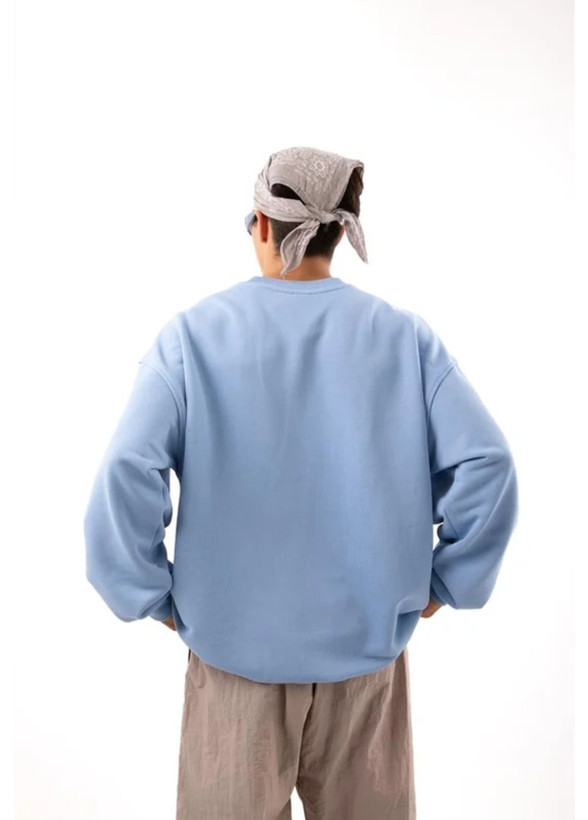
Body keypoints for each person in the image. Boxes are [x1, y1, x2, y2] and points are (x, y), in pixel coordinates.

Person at [83, 146, 519, 820]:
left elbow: (125, 470)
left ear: (261, 223)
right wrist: (446, 584)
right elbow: (488, 464)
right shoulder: (402, 337)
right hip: (366, 670)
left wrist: (152, 596)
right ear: (340, 233)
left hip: (233, 669)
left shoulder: (192, 337)